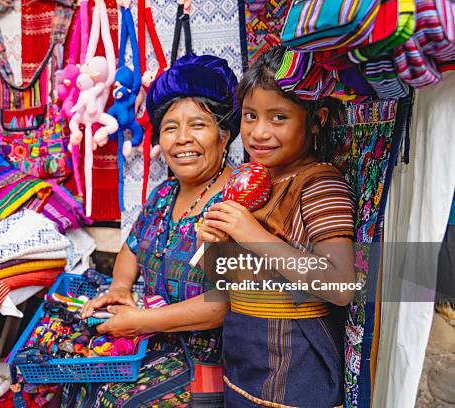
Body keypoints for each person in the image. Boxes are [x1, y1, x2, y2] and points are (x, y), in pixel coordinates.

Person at [63, 54, 240, 407]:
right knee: (78, 379)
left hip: (211, 363)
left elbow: (222, 304)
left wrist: (142, 320)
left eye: (198, 125)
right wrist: (119, 288)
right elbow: (132, 247)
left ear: (225, 134)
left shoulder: (235, 200)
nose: (182, 139)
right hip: (153, 344)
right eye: (171, 127)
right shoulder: (163, 195)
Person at [198, 46, 356, 407]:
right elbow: (228, 287)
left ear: (316, 120)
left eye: (278, 117)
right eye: (250, 116)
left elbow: (342, 286)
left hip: (295, 370)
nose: (259, 132)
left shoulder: (319, 184)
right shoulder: (251, 182)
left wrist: (252, 235)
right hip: (244, 362)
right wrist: (213, 244)